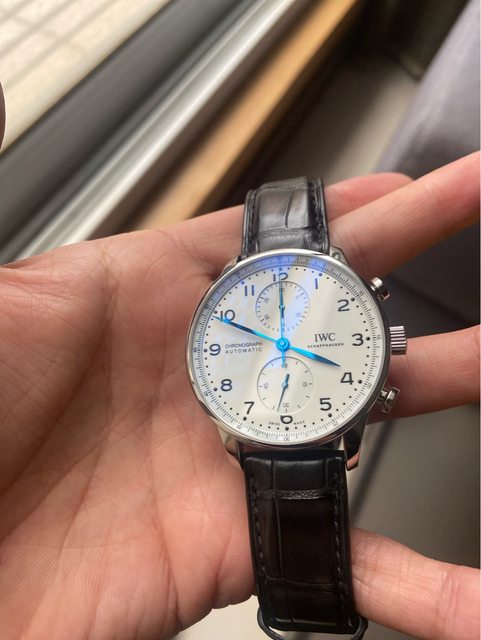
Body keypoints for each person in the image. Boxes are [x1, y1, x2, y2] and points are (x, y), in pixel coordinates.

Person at [0, 152, 478, 640]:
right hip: (261, 428)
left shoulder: (278, 302)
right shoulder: (228, 328)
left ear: (387, 342)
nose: (284, 346)